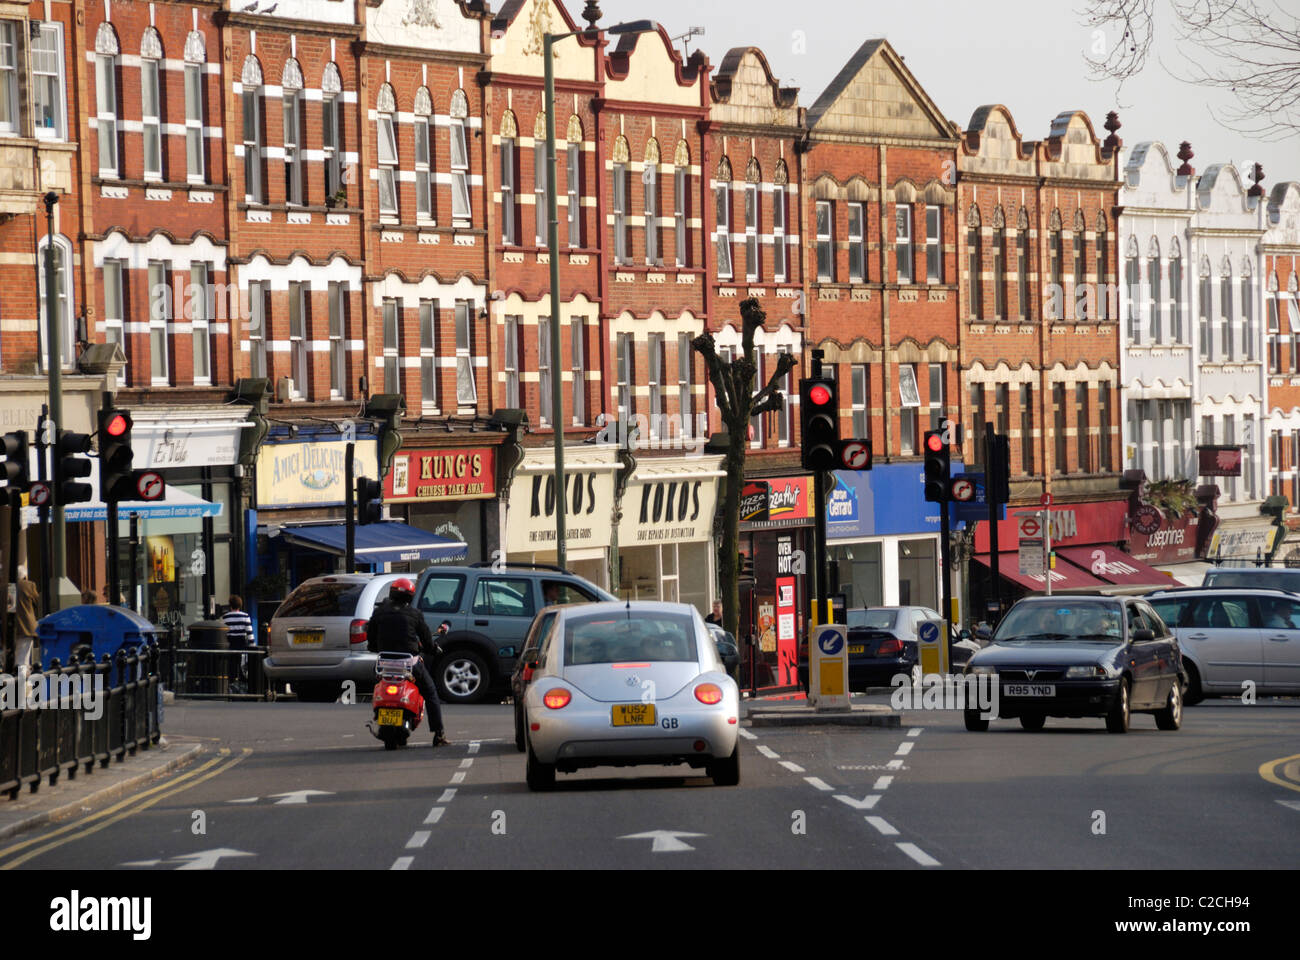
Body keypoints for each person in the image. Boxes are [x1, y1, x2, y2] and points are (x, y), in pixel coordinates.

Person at [368, 579, 447, 747]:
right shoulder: (415, 614)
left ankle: (379, 713)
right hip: (409, 663)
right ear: (410, 596)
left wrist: (375, 647)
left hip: (384, 663)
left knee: (376, 683)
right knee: (431, 692)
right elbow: (426, 639)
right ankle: (438, 734)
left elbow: (371, 639)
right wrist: (433, 649)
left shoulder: (379, 612)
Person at [13, 565, 39, 675]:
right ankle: (22, 687)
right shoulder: (29, 586)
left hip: (10, 627)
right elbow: (36, 601)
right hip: (26, 626)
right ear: (25, 575)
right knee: (23, 658)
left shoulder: (6, 586)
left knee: (15, 657)